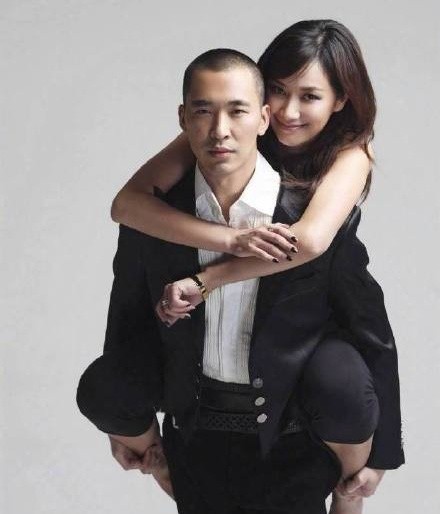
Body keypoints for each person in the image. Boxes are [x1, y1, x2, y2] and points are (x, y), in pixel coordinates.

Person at [77, 46, 403, 514]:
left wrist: (381, 453)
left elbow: (370, 328)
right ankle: (164, 467)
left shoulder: (313, 215)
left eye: (237, 111)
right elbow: (127, 314)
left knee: (341, 377)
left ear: (262, 118)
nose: (220, 130)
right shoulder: (156, 216)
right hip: (196, 432)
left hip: (290, 435)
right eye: (203, 111)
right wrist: (121, 414)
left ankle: (346, 494)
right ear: (183, 119)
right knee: (102, 383)